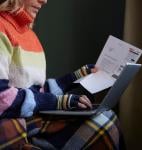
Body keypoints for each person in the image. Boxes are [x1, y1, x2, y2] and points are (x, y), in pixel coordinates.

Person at [0, 0, 124, 149]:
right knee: (104, 125)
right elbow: (3, 98)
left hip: (33, 117)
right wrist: (59, 102)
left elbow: (36, 92)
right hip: (16, 122)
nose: (44, 1)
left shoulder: (31, 36)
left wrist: (77, 76)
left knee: (107, 116)